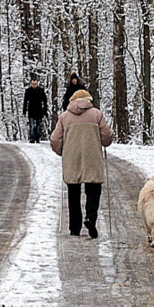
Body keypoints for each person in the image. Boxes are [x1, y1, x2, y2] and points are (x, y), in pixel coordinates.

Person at [50, 89, 113, 237]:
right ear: (88, 100)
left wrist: (62, 152)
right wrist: (104, 141)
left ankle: (74, 227)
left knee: (73, 192)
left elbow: (54, 139)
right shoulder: (97, 115)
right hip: (92, 158)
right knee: (93, 189)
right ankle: (90, 217)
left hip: (72, 159)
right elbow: (107, 137)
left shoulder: (64, 117)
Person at [22, 76, 49, 143]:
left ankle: (37, 138)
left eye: (35, 84)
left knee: (38, 126)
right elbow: (25, 101)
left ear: (37, 84)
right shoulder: (28, 91)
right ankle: (32, 138)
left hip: (39, 111)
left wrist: (45, 111)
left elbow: (45, 101)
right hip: (31, 110)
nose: (34, 85)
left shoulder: (40, 91)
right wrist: (24, 112)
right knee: (31, 126)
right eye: (33, 84)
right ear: (31, 84)